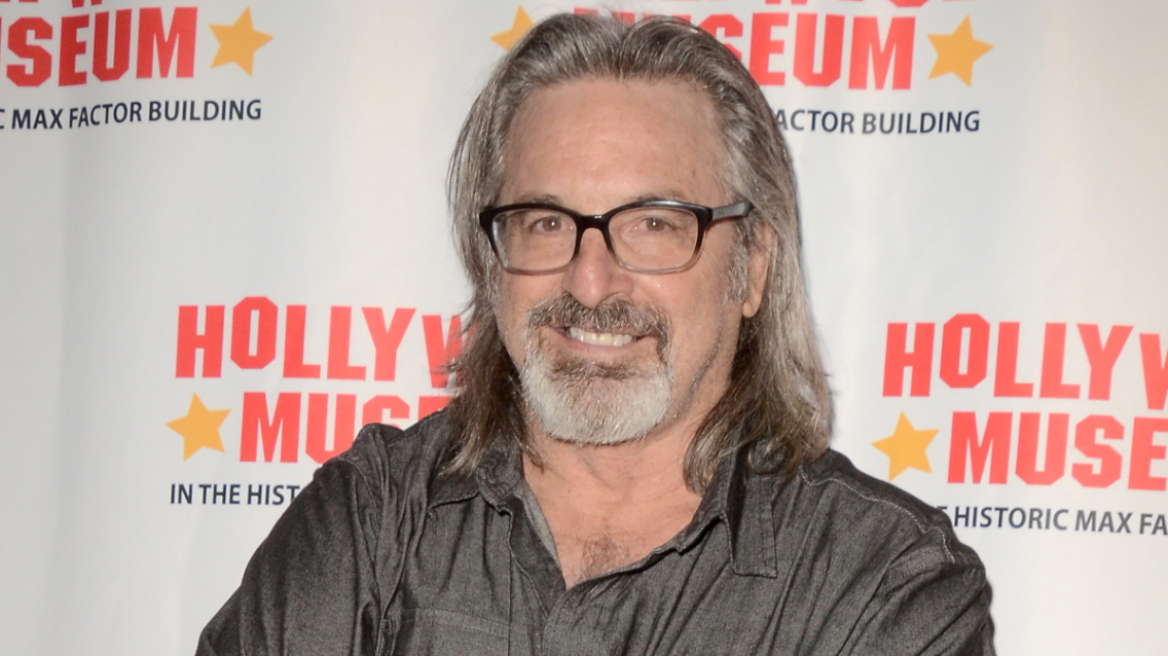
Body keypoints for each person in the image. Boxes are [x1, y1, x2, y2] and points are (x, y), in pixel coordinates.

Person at [197, 14, 994, 655]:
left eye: (654, 224)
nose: (589, 283)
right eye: (546, 222)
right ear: (492, 259)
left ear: (751, 268)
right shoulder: (369, 522)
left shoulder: (883, 582)